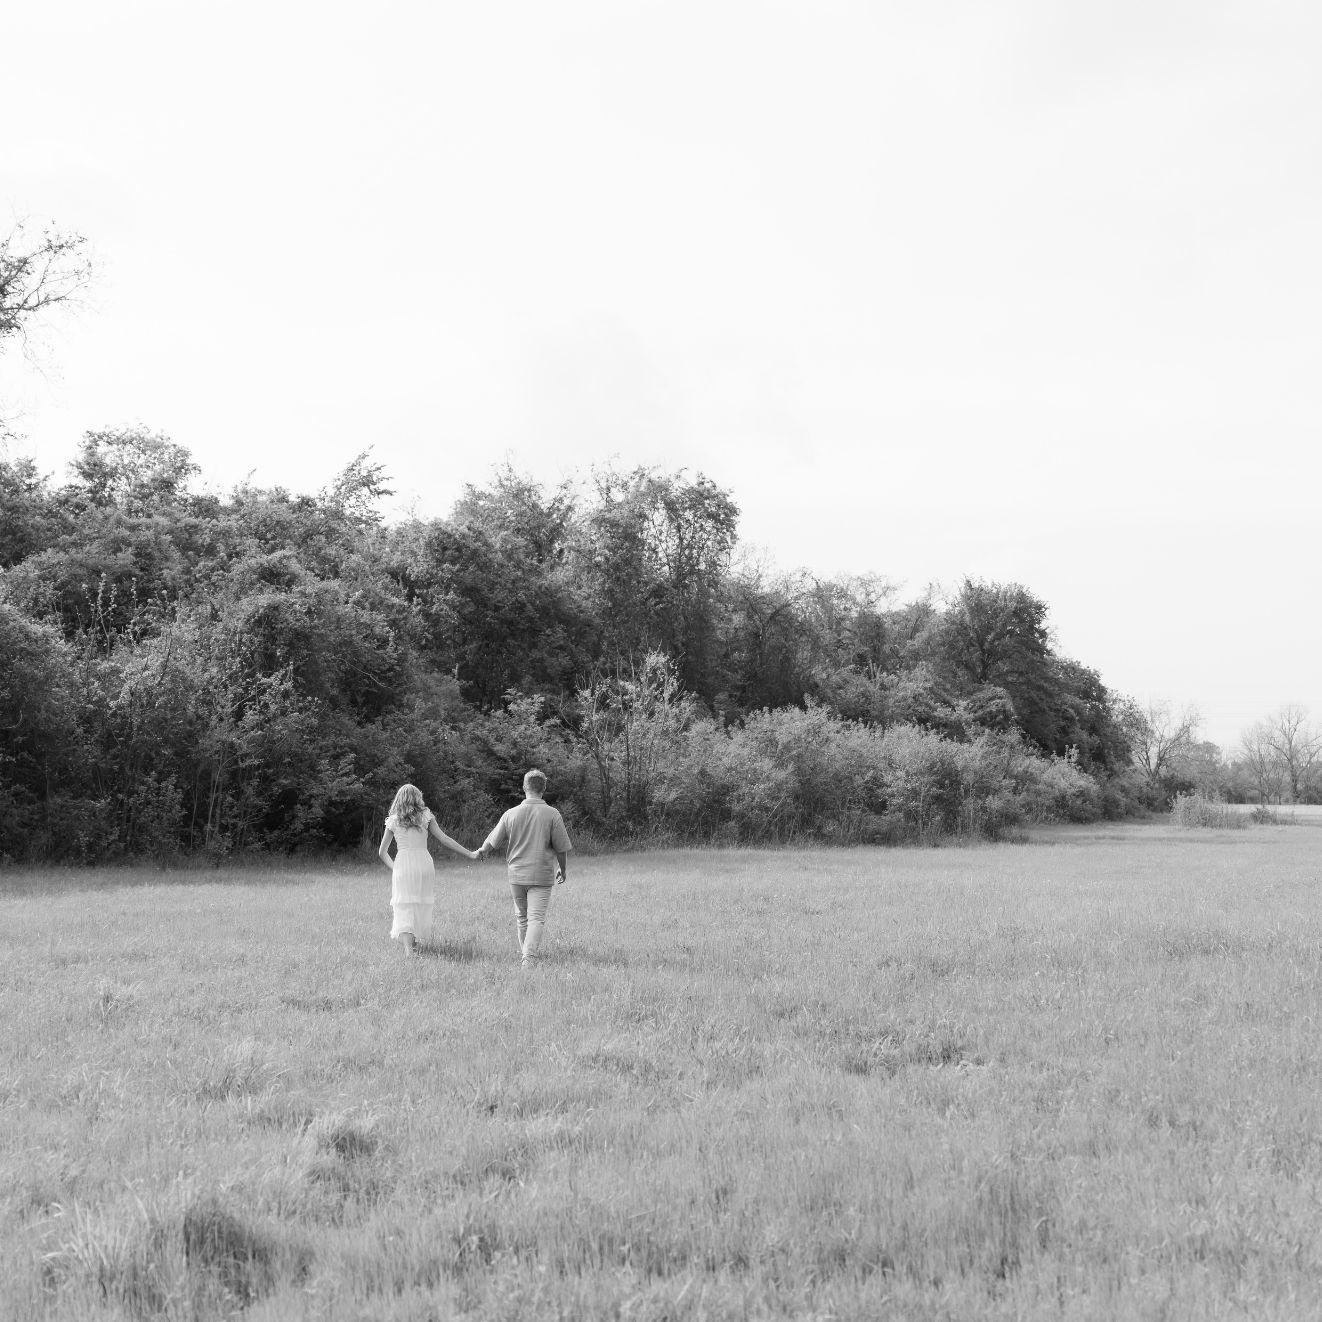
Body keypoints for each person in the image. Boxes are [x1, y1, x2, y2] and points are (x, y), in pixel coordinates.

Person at [477, 768, 573, 968]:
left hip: (516, 875)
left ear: (524, 787)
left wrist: (482, 851)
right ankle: (529, 958)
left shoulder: (511, 814)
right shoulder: (552, 814)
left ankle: (526, 956)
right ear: (543, 789)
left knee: (522, 918)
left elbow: (492, 840)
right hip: (541, 874)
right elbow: (561, 848)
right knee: (536, 918)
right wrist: (562, 869)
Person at [378, 784, 477, 954]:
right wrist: (470, 853)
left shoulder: (393, 820)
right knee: (419, 903)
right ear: (417, 798)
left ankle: (409, 950)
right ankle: (413, 944)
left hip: (403, 865)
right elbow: (444, 839)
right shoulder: (425, 816)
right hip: (424, 864)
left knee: (404, 905)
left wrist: (395, 869)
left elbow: (382, 852)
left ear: (398, 799)